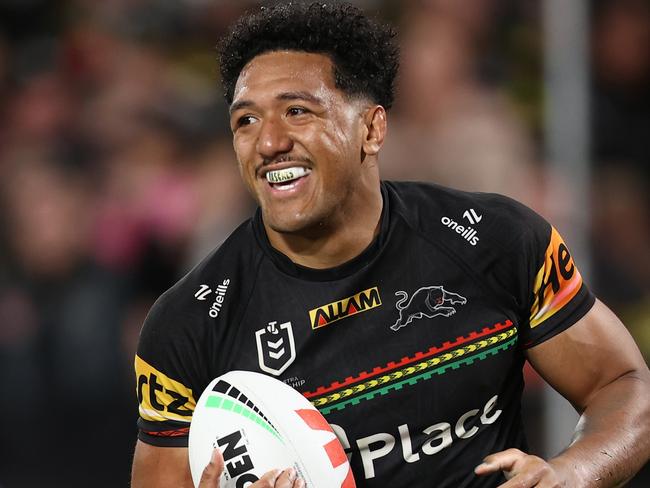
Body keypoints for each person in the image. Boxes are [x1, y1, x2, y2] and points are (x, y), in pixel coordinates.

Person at [130, 3, 650, 487]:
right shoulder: (189, 327)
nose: (268, 143)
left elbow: (625, 386)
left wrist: (571, 475)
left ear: (373, 129)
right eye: (246, 120)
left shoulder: (495, 241)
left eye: (297, 112)